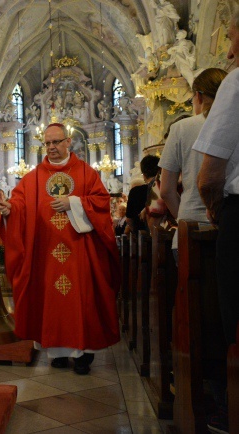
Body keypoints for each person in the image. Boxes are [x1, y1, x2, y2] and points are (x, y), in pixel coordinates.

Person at [0, 123, 120, 375]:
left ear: (68, 142)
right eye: (47, 143)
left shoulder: (86, 173)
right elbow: (19, 203)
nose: (51, 147)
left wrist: (74, 202)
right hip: (46, 251)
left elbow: (101, 202)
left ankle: (83, 353)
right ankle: (58, 352)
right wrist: (10, 210)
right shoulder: (33, 177)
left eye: (56, 142)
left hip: (80, 249)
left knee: (81, 297)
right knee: (50, 297)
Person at [193, 12, 239, 432]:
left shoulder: (236, 82)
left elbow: (209, 174)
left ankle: (232, 407)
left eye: (232, 38)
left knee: (234, 316)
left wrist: (215, 208)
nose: (228, 50)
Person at [159, 68, 227, 253]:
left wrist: (184, 215)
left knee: (190, 281)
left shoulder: (181, 128)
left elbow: (166, 190)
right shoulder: (233, 123)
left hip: (190, 225)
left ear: (198, 96)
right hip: (231, 225)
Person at [125, 155, 160, 233]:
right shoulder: (163, 187)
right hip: (163, 232)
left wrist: (135, 233)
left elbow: (129, 219)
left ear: (143, 174)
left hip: (141, 233)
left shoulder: (135, 191)